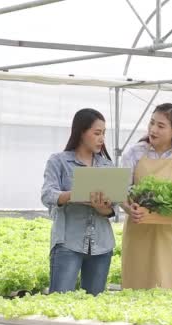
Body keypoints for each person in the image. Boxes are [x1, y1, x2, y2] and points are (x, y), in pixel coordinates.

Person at [120, 103, 172, 290]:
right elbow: (121, 192)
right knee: (136, 287)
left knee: (170, 288)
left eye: (160, 126)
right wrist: (128, 208)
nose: (153, 129)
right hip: (138, 232)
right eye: (152, 123)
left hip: (170, 235)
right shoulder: (133, 153)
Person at [41, 108, 115, 295]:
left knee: (93, 306)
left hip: (101, 245)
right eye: (97, 133)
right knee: (60, 301)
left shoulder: (107, 165)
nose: (101, 139)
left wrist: (103, 208)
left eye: (104, 133)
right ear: (81, 132)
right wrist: (74, 195)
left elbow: (113, 209)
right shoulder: (59, 161)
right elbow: (47, 194)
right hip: (68, 243)